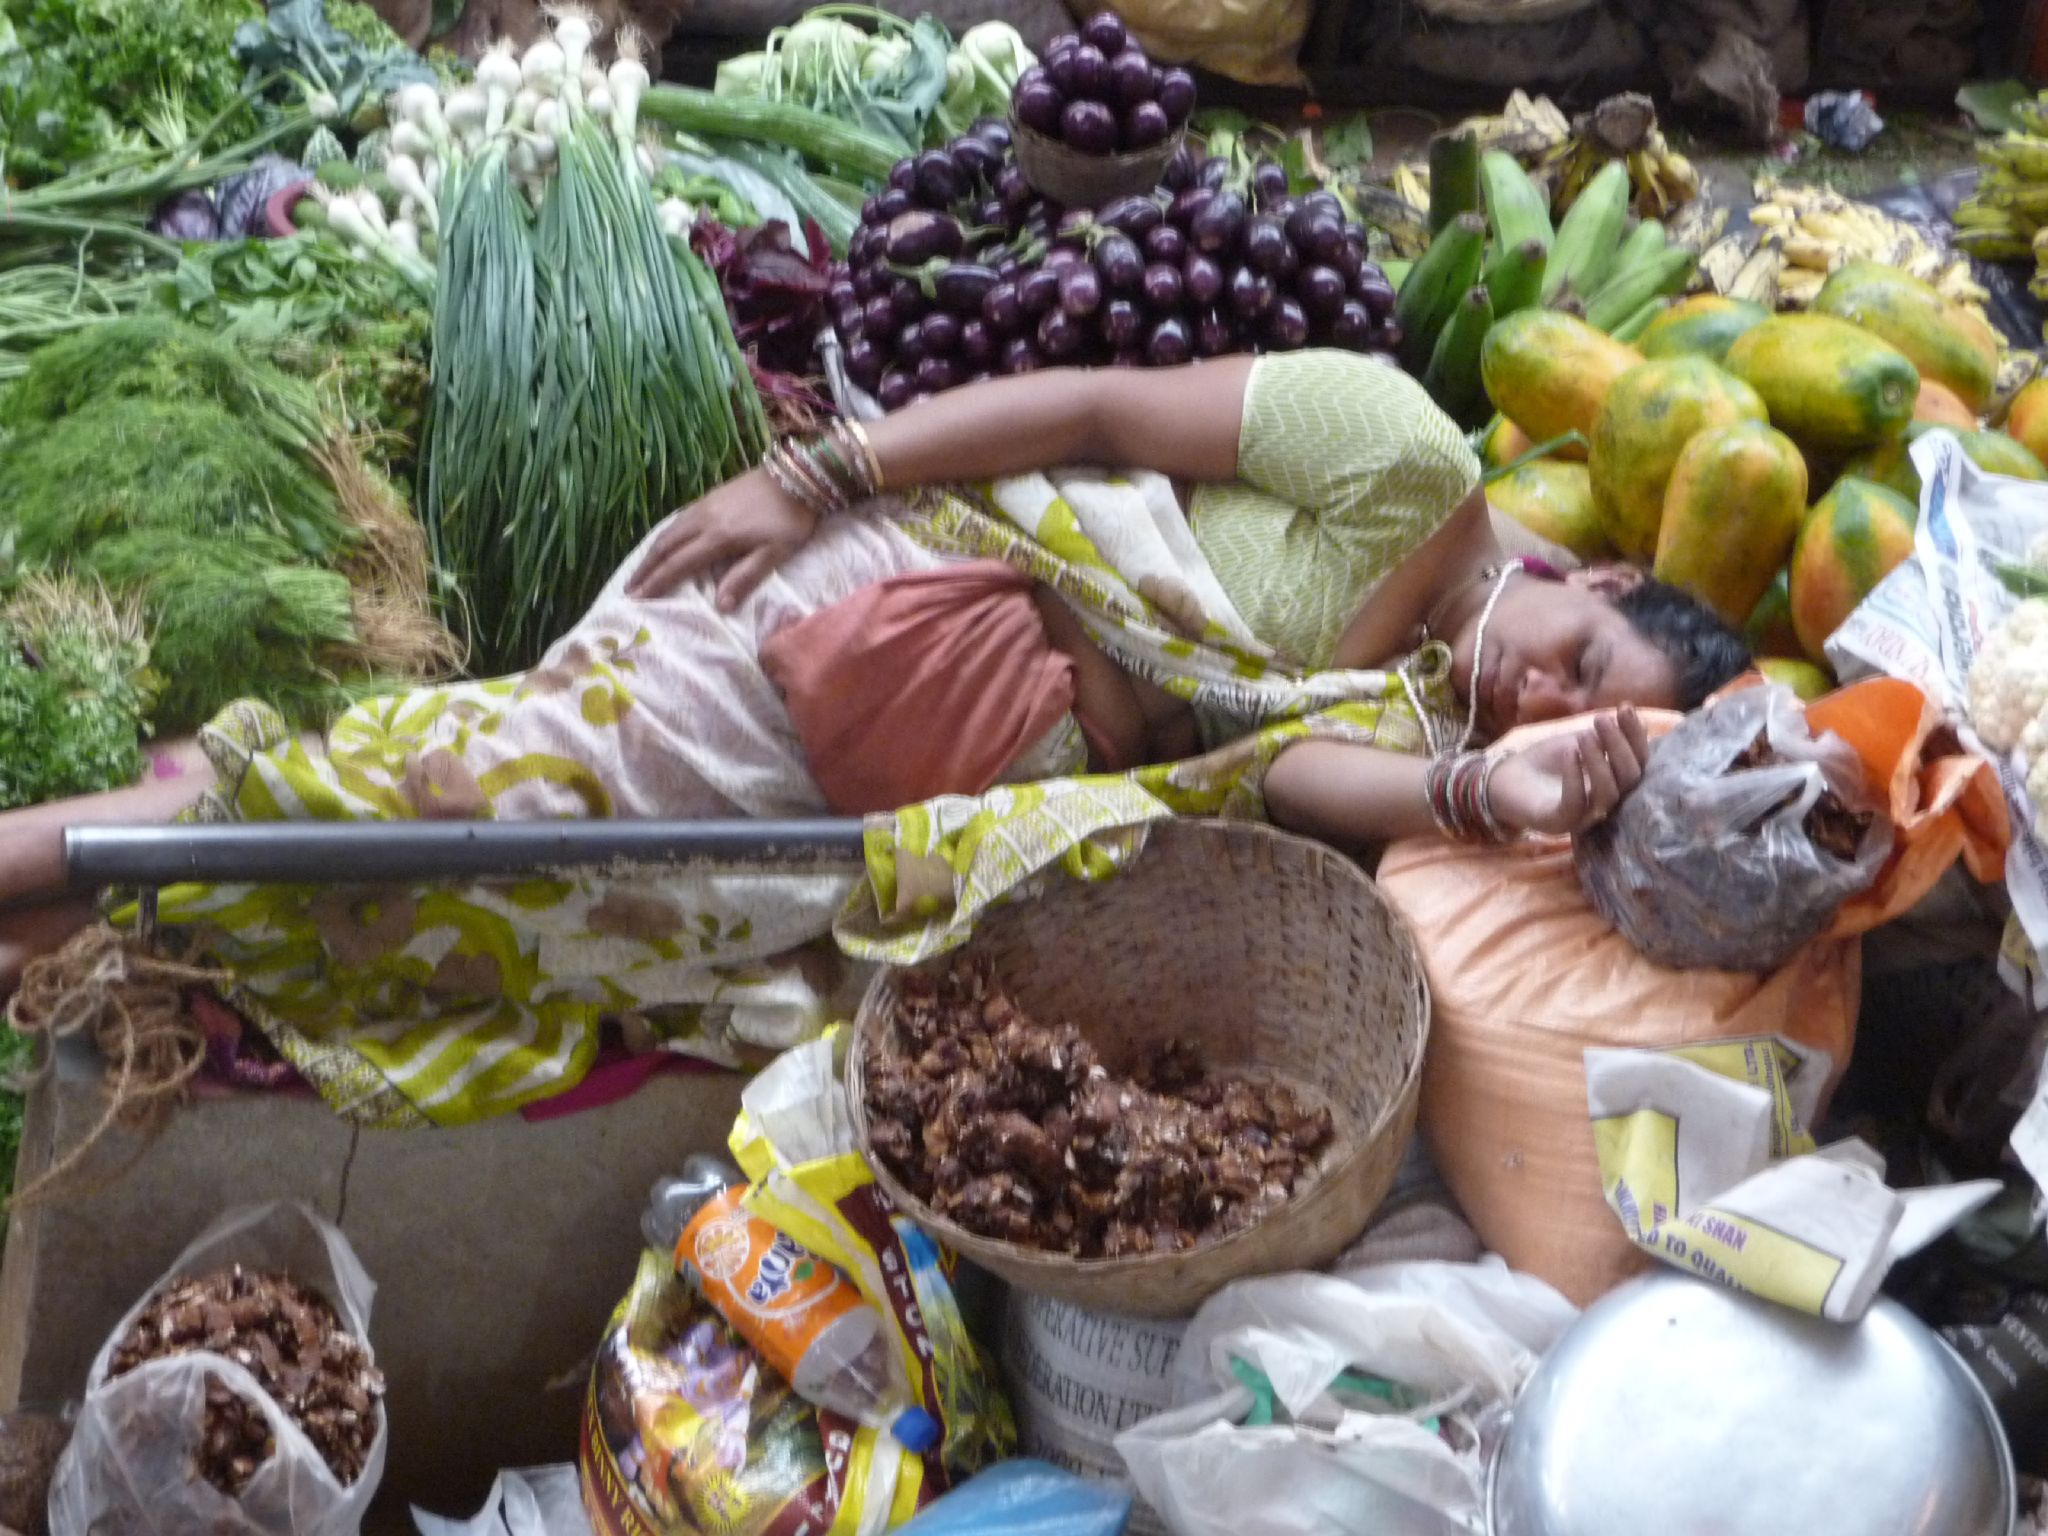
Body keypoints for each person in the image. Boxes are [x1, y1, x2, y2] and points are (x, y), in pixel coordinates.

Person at [0, 353, 1747, 1096]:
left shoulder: (1419, 720)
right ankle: (59, 856)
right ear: (1590, 575)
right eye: (1581, 661)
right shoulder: (1403, 454)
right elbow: (1094, 407)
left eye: (1585, 717)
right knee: (465, 794)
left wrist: (1491, 786)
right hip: (889, 614)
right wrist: (815, 474)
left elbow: (1276, 770)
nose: (1546, 694)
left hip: (919, 793)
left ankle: (87, 923)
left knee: (508, 920)